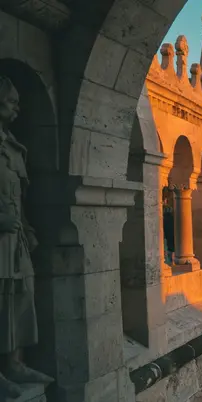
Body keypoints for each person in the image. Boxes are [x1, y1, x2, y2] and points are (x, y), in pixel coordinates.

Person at [0, 76, 53, 397]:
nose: (18, 106)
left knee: (21, 298)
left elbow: (20, 199)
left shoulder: (14, 149)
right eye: (11, 100)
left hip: (16, 240)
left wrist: (28, 230)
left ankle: (14, 362)